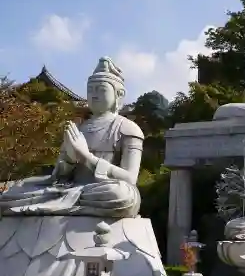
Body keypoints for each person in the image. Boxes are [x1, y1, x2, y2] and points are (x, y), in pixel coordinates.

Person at [1, 57, 144, 218]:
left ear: (119, 95)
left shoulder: (128, 128)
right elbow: (59, 177)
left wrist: (86, 157)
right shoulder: (78, 128)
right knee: (12, 191)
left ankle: (57, 206)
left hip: (100, 190)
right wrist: (69, 159)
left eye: (101, 89)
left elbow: (130, 178)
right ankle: (61, 205)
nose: (94, 95)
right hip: (71, 189)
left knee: (122, 195)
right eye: (90, 90)